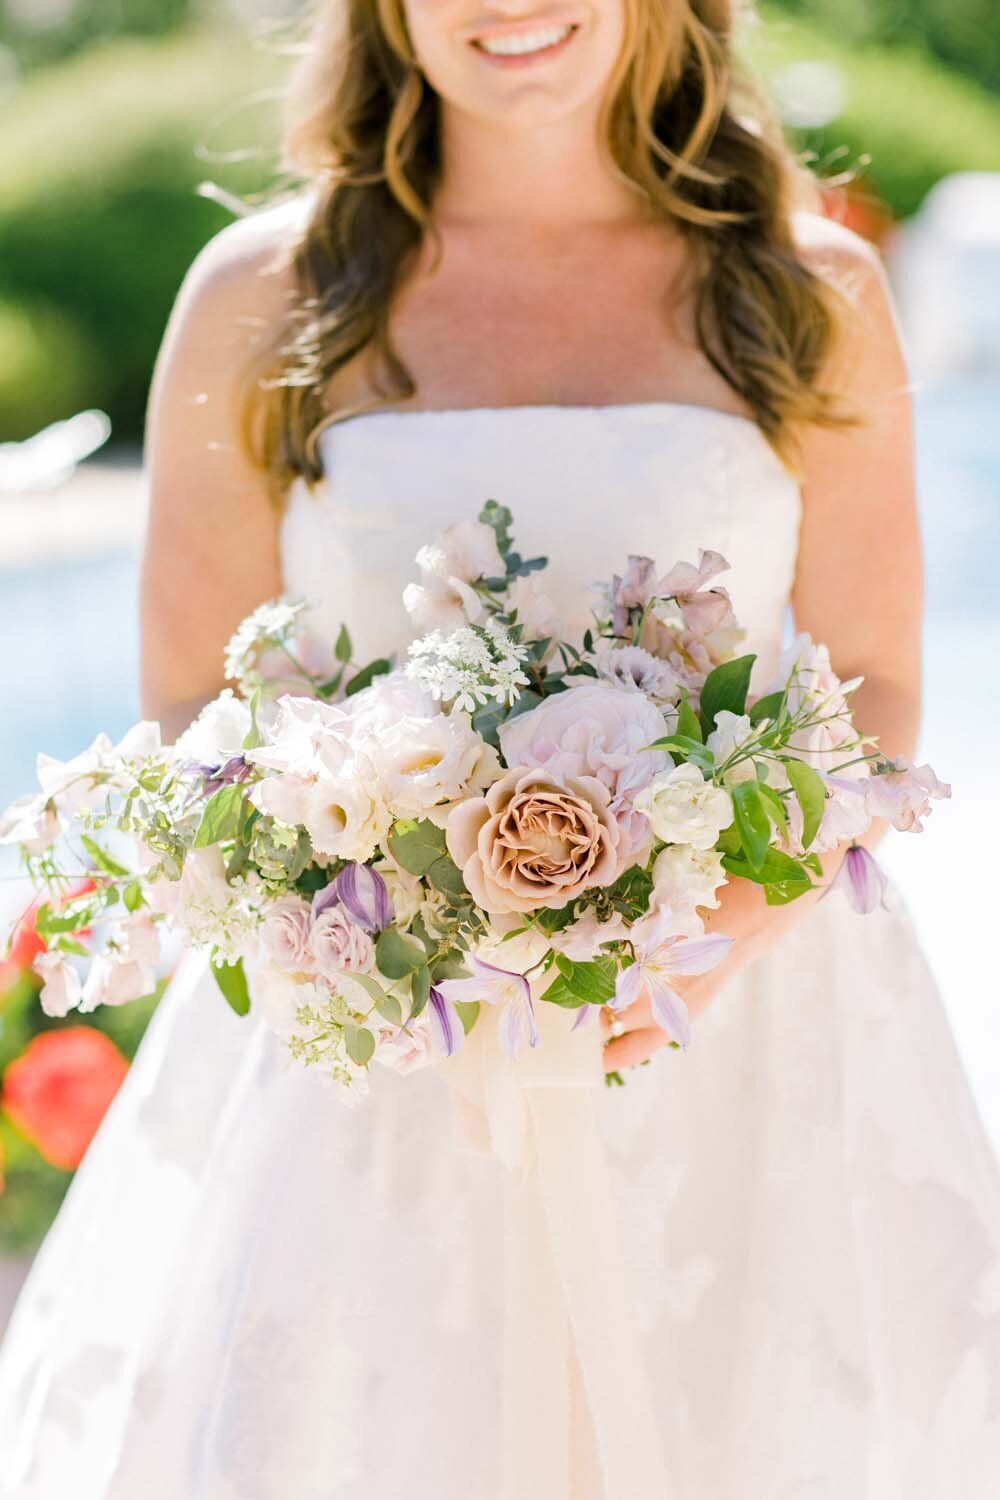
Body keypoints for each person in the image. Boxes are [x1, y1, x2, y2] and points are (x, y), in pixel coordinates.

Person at [2, 1, 999, 1495]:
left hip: (747, 1037)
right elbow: (192, 716)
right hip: (376, 1055)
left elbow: (873, 683)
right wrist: (411, 931)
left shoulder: (808, 288)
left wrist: (685, 948)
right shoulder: (266, 294)